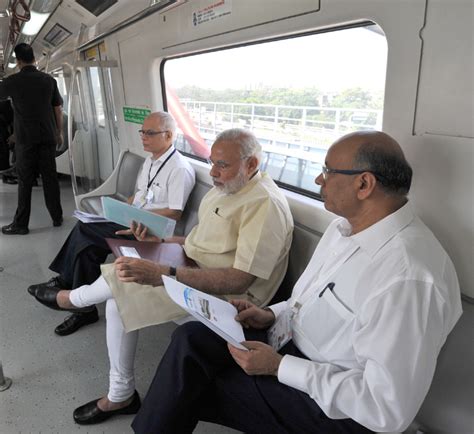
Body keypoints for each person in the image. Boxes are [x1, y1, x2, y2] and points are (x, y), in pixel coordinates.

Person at [131, 131, 463, 434]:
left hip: (337, 407)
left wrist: (279, 367)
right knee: (191, 338)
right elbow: (311, 300)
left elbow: (385, 409)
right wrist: (272, 315)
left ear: (364, 185)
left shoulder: (408, 278)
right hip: (290, 344)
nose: (319, 179)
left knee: (194, 382)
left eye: (329, 171)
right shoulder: (342, 229)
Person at [34, 128, 294, 425]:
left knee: (124, 287)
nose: (213, 172)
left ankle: (73, 300)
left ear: (251, 164)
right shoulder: (226, 189)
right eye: (212, 162)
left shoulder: (263, 205)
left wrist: (166, 272)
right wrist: (160, 242)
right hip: (195, 267)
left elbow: (239, 281)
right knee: (123, 289)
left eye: (222, 165)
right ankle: (120, 392)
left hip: (232, 303)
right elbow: (199, 244)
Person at [28, 111, 196, 336]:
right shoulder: (150, 161)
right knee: (88, 244)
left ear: (168, 135)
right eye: (142, 132)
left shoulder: (179, 168)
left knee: (85, 230)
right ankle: (80, 303)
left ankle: (67, 284)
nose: (143, 137)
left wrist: (135, 215)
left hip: (150, 232)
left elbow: (174, 213)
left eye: (150, 133)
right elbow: (139, 195)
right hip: (132, 220)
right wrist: (121, 208)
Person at [0, 43, 64, 235]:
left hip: (26, 140)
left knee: (25, 181)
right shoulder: (48, 80)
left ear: (18, 61)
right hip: (47, 137)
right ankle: (57, 217)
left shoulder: (12, 82)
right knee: (50, 179)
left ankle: (21, 224)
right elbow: (57, 109)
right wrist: (59, 132)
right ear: (34, 58)